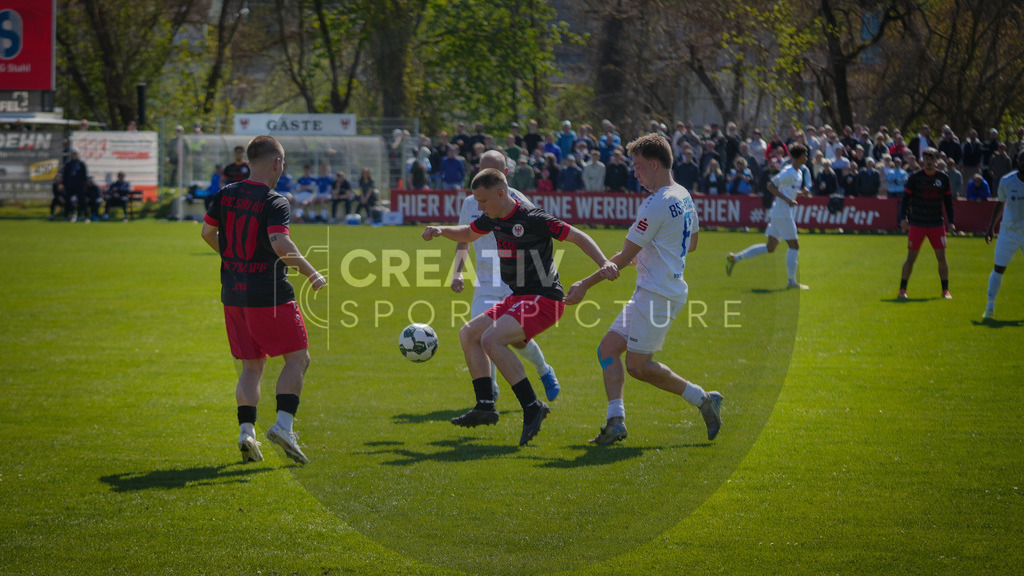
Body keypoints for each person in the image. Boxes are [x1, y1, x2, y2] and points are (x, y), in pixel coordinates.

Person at [422, 167, 615, 446]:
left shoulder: (532, 217)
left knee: (492, 340)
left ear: (502, 193)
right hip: (518, 297)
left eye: (483, 201)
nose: (479, 207)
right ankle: (486, 405)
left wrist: (604, 262)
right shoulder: (492, 217)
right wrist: (441, 230)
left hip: (545, 299)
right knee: (469, 333)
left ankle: (532, 406)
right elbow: (467, 232)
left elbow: (578, 236)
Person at [563, 133, 722, 445]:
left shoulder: (656, 202)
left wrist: (585, 284)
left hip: (659, 294)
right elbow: (692, 244)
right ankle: (615, 420)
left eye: (637, 166)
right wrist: (649, 253)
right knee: (608, 350)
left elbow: (621, 259)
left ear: (654, 163)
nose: (634, 172)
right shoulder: (684, 194)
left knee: (638, 365)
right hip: (654, 289)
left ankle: (703, 399)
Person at [200, 135, 326, 465]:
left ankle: (246, 432)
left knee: (252, 365)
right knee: (298, 359)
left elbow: (206, 233)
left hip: (233, 294)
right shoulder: (275, 201)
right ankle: (283, 426)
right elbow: (281, 245)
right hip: (268, 295)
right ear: (276, 163)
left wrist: (231, 260)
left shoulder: (225, 193)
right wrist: (312, 273)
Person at [450, 150, 562, 404]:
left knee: (519, 341)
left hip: (517, 284)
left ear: (505, 175)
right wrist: (457, 272)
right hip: (486, 284)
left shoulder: (522, 203)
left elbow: (540, 245)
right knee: (475, 336)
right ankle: (489, 392)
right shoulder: (472, 203)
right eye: (479, 169)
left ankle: (544, 370)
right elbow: (464, 240)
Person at [726, 143, 811, 289]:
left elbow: (788, 191)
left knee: (770, 247)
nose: (807, 157)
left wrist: (802, 194)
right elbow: (770, 185)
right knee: (794, 245)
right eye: (805, 155)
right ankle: (791, 281)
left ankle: (735, 258)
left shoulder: (799, 173)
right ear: (799, 157)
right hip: (782, 213)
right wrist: (788, 200)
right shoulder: (788, 172)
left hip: (780, 213)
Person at [897, 147, 955, 299]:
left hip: (936, 223)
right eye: (926, 159)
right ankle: (902, 290)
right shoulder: (915, 178)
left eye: (932, 159)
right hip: (917, 223)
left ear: (936, 160)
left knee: (941, 257)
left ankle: (945, 290)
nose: (929, 162)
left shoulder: (943, 179)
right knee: (911, 258)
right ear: (923, 160)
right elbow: (905, 200)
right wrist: (903, 218)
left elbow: (948, 202)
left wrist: (951, 222)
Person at [984, 151, 1024, 320]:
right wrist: (991, 226)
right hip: (1008, 232)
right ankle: (990, 307)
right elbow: (1000, 203)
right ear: (1017, 161)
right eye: (1023, 159)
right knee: (999, 268)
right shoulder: (1007, 180)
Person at [62, 148, 88, 223]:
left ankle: (84, 216)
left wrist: (83, 186)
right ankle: (67, 216)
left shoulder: (81, 164)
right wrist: (65, 185)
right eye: (73, 154)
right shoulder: (68, 164)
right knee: (68, 202)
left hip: (79, 187)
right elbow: (65, 176)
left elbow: (84, 176)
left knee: (82, 202)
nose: (74, 155)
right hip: (70, 186)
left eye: (75, 154)